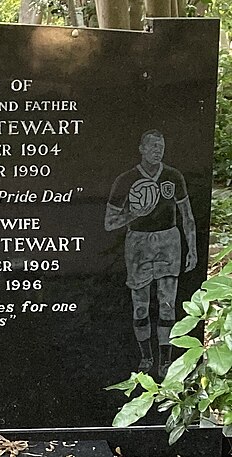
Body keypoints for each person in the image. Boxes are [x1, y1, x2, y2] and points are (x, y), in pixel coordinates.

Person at [104, 129, 197, 377]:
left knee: (167, 304)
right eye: (152, 146)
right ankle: (146, 357)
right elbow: (109, 222)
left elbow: (187, 216)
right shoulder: (126, 180)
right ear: (141, 148)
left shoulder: (173, 177)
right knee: (141, 307)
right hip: (139, 244)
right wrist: (136, 213)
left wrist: (193, 249)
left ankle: (165, 361)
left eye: (161, 146)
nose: (157, 150)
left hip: (169, 241)